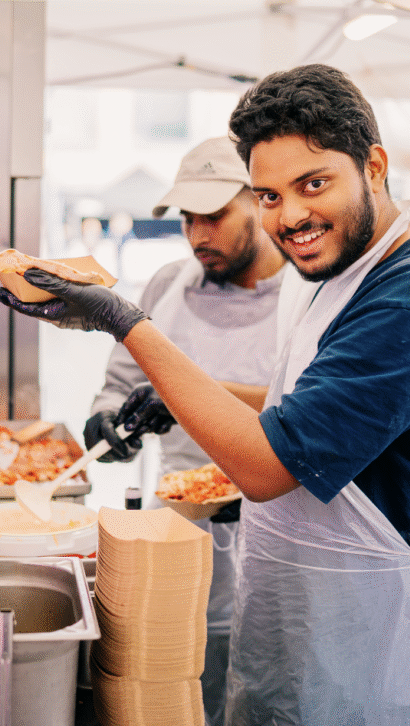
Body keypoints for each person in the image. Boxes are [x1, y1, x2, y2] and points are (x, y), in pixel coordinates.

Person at [0, 63, 410, 726]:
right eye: (268, 195)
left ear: (374, 166)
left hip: (381, 646)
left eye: (313, 184)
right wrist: (171, 397)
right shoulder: (345, 268)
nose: (289, 216)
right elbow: (307, 406)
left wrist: (123, 321)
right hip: (322, 621)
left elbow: (264, 466)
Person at [84, 136, 303, 726]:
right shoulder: (166, 287)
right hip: (180, 520)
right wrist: (107, 417)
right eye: (187, 218)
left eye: (214, 216)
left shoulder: (307, 298)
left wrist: (194, 408)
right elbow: (125, 374)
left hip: (283, 526)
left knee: (273, 684)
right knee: (179, 681)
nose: (198, 235)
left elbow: (307, 412)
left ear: (258, 203)